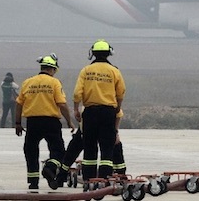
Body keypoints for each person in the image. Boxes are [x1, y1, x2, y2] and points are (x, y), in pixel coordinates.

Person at [15, 53, 75, 190]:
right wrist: (69, 122)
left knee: (30, 150)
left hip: (32, 122)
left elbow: (18, 104)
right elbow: (62, 104)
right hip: (51, 122)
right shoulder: (54, 82)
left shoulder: (28, 82)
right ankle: (50, 167)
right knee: (58, 150)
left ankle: (33, 181)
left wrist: (17, 123)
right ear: (53, 69)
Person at [73, 39, 126, 190]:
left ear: (93, 53)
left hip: (90, 112)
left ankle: (89, 179)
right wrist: (117, 108)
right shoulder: (114, 71)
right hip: (108, 112)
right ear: (109, 54)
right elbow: (121, 92)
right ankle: (104, 179)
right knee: (107, 147)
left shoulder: (86, 70)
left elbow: (77, 93)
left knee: (89, 146)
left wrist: (76, 109)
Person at [56, 109, 126, 186]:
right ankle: (117, 175)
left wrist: (115, 132)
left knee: (76, 149)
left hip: (92, 125)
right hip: (97, 125)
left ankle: (61, 175)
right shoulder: (108, 102)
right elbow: (118, 114)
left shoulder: (90, 104)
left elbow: (118, 115)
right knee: (109, 150)